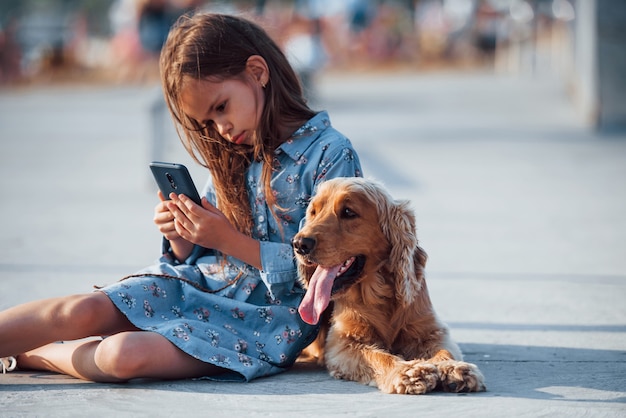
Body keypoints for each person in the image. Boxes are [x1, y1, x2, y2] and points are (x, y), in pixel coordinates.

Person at [0, 12, 362, 382]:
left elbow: (335, 264)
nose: (221, 129)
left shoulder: (330, 153)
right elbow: (202, 253)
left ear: (257, 71)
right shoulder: (235, 154)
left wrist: (226, 239)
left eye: (220, 107)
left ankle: (34, 354)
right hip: (193, 285)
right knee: (79, 312)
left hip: (264, 323)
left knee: (122, 356)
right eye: (207, 122)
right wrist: (181, 235)